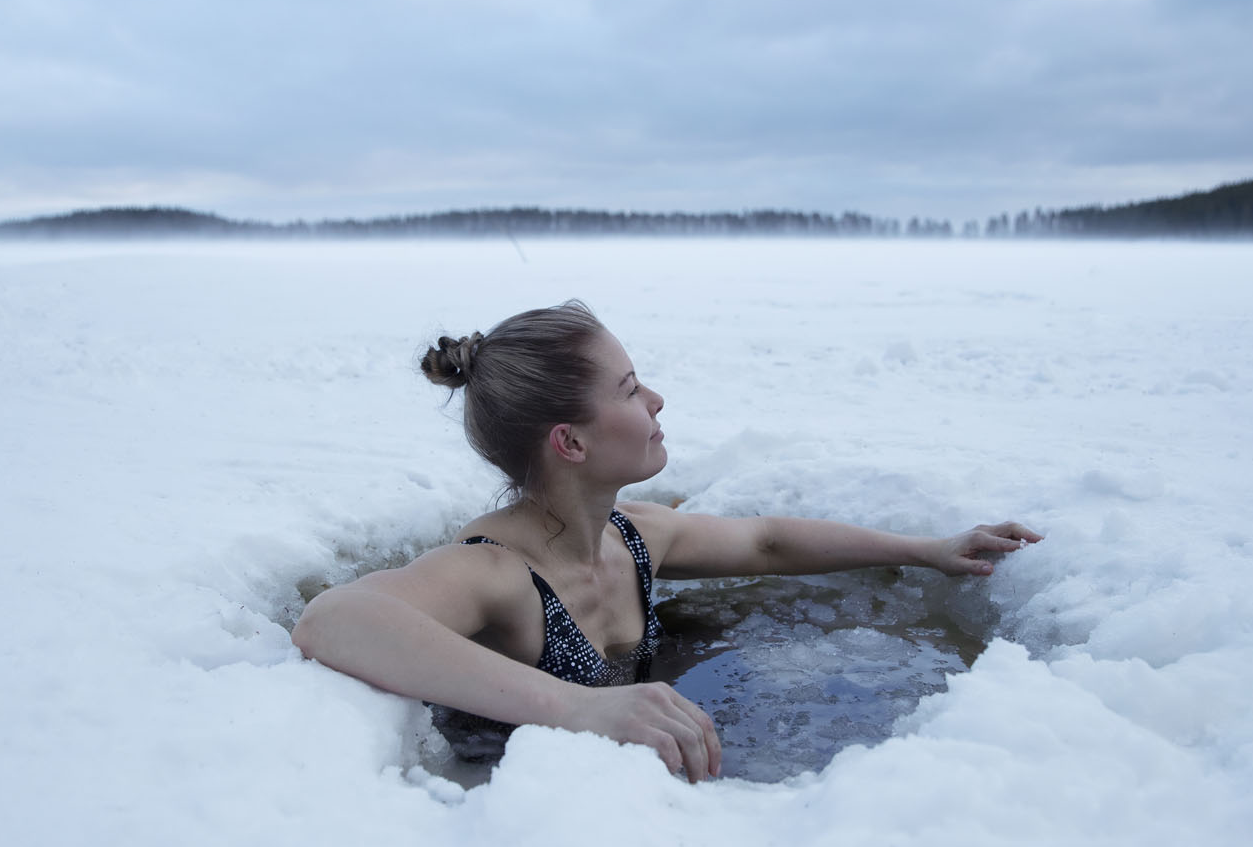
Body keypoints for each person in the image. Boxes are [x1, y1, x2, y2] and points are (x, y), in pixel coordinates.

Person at [291, 300, 1041, 782]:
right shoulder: (495, 573)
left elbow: (769, 545)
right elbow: (334, 619)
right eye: (628, 390)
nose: (655, 401)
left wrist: (926, 548)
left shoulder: (633, 534)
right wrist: (580, 710)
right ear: (571, 443)